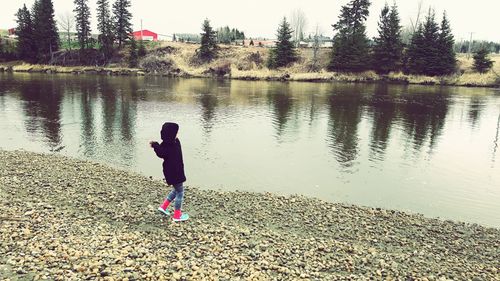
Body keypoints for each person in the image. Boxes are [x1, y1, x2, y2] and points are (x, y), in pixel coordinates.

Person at [150, 122, 189, 222]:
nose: (177, 134)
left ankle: (163, 207)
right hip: (175, 172)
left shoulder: (170, 143)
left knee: (176, 189)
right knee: (180, 192)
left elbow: (161, 151)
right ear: (172, 135)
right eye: (176, 132)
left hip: (172, 171)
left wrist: (155, 145)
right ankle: (177, 215)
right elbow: (161, 152)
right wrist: (155, 145)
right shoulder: (172, 144)